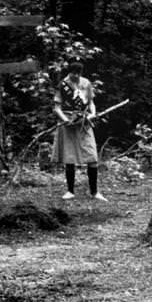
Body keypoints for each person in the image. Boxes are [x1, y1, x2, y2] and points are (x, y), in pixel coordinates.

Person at [53, 61, 106, 201]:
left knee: (92, 155)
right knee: (69, 158)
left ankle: (94, 192)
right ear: (69, 72)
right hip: (68, 122)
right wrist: (65, 120)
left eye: (78, 73)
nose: (75, 76)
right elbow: (57, 108)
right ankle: (70, 191)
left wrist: (92, 114)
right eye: (73, 73)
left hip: (84, 121)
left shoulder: (86, 83)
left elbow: (91, 103)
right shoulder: (62, 85)